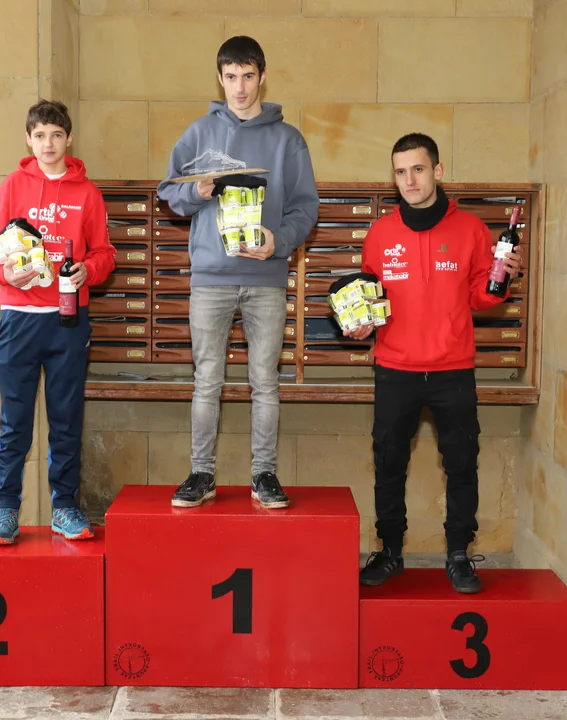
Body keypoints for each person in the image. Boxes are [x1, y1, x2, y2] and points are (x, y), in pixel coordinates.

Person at [351, 133, 523, 593]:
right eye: (400, 172)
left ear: (437, 171)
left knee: (462, 464)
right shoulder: (380, 234)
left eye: (418, 169)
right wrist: (361, 323)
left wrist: (503, 280)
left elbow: (482, 297)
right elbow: (370, 301)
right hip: (395, 369)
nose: (409, 180)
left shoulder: (470, 230)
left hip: (452, 369)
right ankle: (390, 551)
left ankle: (458, 555)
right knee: (388, 465)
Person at [156, 36, 319, 510]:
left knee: (264, 382)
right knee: (206, 381)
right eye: (231, 77)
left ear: (262, 76)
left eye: (248, 76)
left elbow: (306, 207)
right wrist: (198, 192)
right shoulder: (199, 133)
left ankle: (264, 474)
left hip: (266, 277)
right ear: (220, 78)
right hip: (211, 278)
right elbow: (169, 192)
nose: (240, 87)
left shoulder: (288, 139)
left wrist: (279, 242)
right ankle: (202, 473)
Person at [0, 99, 116, 544]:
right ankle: (5, 511)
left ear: (69, 138)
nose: (48, 143)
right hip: (18, 318)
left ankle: (64, 507)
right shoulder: (13, 186)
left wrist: (88, 271)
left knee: (65, 420)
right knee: (14, 423)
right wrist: (6, 274)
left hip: (67, 320)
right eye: (39, 135)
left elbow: (105, 254)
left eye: (56, 135)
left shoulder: (87, 193)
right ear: (28, 139)